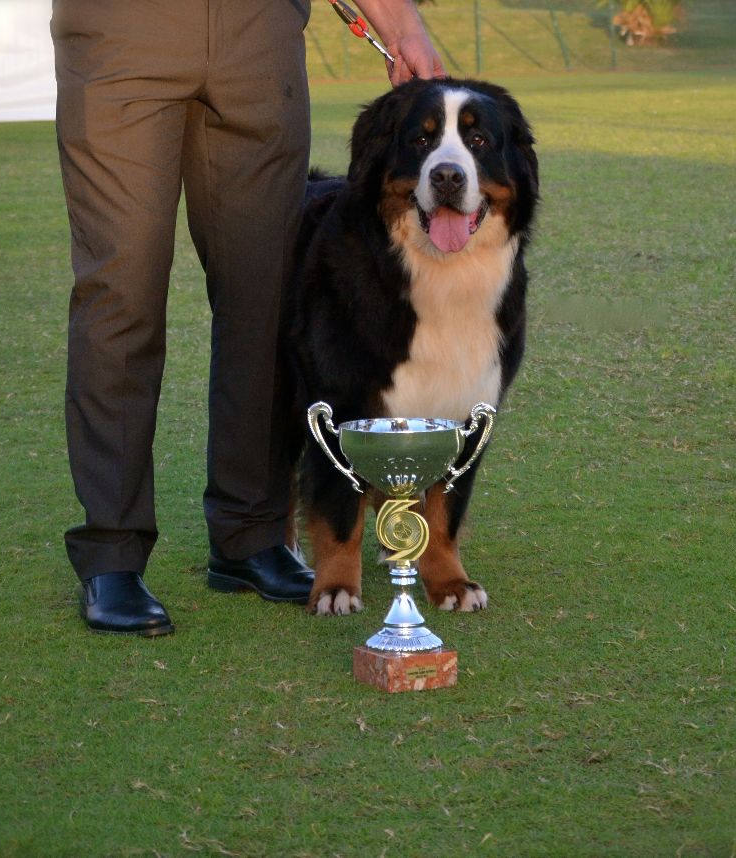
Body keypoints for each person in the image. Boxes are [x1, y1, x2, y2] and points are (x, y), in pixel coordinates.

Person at [51, 0, 445, 635]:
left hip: (257, 33)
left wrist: (403, 27)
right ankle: (111, 551)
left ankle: (249, 534)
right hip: (123, 28)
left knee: (265, 295)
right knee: (120, 291)